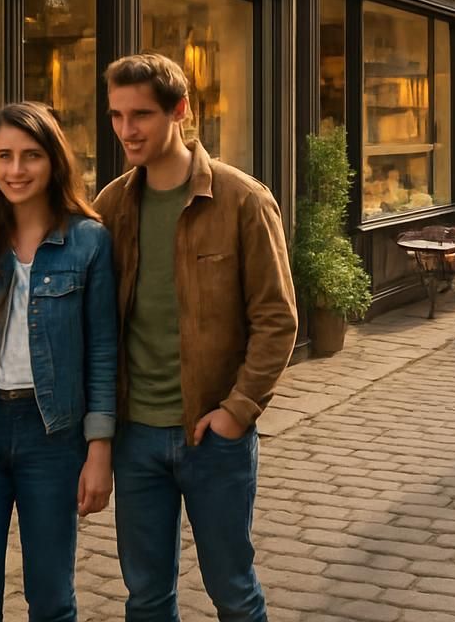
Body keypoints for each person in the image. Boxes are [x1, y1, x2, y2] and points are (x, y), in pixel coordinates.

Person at [94, 53, 298, 622]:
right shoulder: (111, 207)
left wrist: (237, 411)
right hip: (135, 438)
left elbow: (277, 319)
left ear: (180, 111)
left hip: (214, 437)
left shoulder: (242, 201)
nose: (126, 130)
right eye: (116, 115)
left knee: (232, 590)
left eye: (141, 115)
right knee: (147, 597)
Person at [0, 102, 118, 622]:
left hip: (53, 438)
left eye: (30, 155)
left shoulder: (88, 241)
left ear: (53, 161)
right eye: (3, 156)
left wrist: (99, 449)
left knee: (52, 602)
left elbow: (103, 351)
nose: (15, 170)